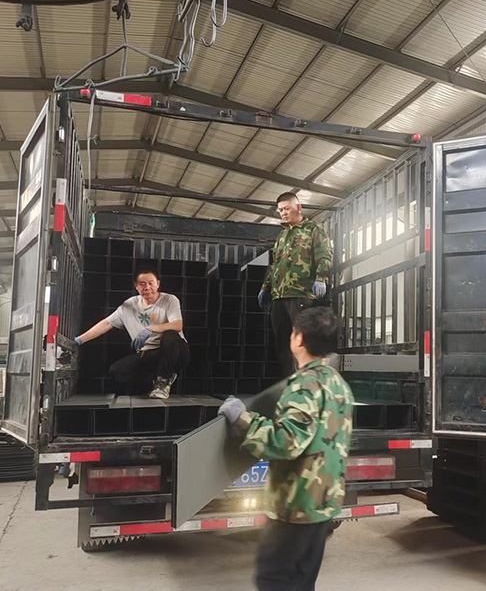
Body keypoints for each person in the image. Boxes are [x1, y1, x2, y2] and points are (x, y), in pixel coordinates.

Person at [219, 307, 353, 591]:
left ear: (299, 339)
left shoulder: (305, 386)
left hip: (297, 504)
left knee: (273, 579)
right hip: (324, 502)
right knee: (302, 581)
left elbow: (287, 442)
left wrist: (242, 419)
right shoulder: (338, 383)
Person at [74, 268, 190, 399]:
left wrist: (151, 329)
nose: (147, 287)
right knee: (117, 371)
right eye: (142, 284)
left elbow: (177, 325)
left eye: (151, 283)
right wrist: (79, 340)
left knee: (171, 335)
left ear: (158, 284)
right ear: (136, 286)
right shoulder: (129, 305)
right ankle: (156, 380)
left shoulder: (169, 300)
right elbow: (106, 323)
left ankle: (163, 382)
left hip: (176, 352)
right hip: (150, 354)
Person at [259, 192, 333, 378]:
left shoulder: (313, 230)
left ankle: (309, 381)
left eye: (287, 209)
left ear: (298, 207)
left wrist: (321, 277)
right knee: (283, 344)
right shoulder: (282, 236)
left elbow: (324, 255)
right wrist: (265, 288)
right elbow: (275, 265)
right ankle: (291, 382)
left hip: (301, 294)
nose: (283, 213)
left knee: (303, 341)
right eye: (280, 210)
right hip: (279, 296)